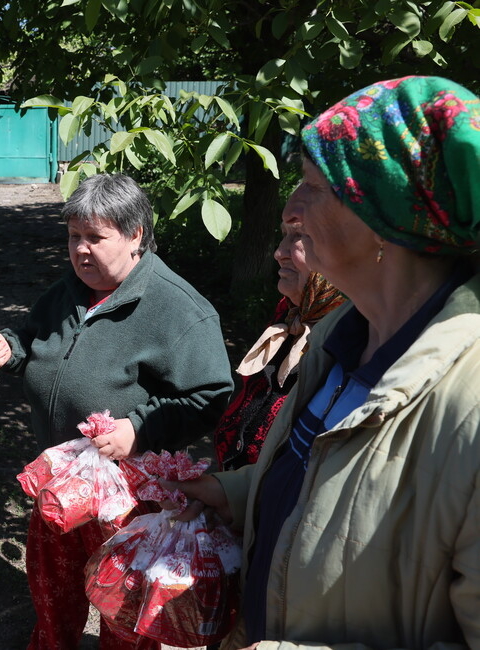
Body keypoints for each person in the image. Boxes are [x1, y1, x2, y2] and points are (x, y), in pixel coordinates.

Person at [165, 75, 480, 648]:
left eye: (313, 185)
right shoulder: (340, 334)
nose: (290, 208)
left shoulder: (470, 402)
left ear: (386, 215)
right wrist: (237, 493)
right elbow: (327, 488)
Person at [0, 173, 233, 649]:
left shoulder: (177, 308)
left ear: (135, 235)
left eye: (95, 237)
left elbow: (210, 395)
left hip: (130, 497)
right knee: (54, 592)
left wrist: (137, 429)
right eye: (74, 236)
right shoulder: (70, 288)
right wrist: (9, 352)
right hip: (63, 479)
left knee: (122, 610)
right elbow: (36, 342)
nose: (81, 250)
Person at [214, 213, 344, 471]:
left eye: (298, 235)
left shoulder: (351, 336)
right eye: (284, 234)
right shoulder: (290, 312)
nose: (278, 252)